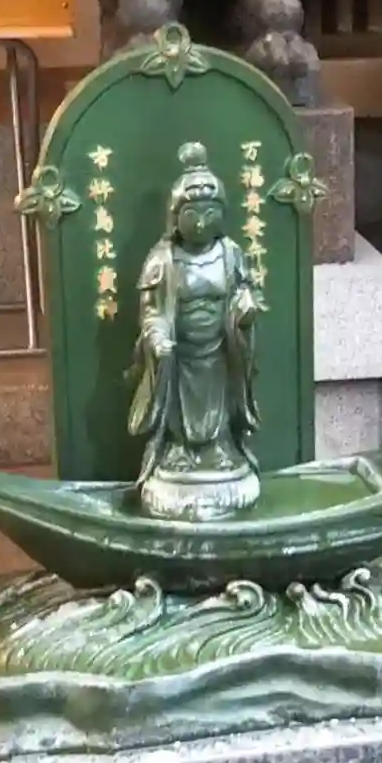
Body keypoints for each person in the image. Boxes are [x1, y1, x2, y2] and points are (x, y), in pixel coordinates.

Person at [128, 141, 263, 519]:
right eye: (192, 213)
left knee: (220, 399)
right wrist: (157, 337)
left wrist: (245, 311)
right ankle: (180, 449)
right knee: (177, 401)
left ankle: (218, 446)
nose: (201, 222)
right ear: (176, 218)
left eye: (209, 212)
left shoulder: (231, 253)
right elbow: (151, 310)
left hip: (220, 348)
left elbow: (245, 292)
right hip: (180, 352)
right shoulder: (163, 259)